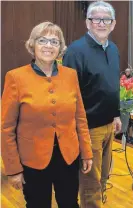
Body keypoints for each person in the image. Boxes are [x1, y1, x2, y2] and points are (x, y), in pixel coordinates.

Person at [2, 22, 93, 208]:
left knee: (69, 203)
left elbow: (80, 118)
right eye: (42, 40)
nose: (48, 46)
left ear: (60, 47)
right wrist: (13, 169)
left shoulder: (71, 75)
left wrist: (86, 153)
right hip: (33, 160)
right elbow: (6, 128)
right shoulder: (15, 77)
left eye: (54, 41)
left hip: (68, 156)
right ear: (32, 45)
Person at [63, 2, 122, 207]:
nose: (101, 23)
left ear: (113, 24)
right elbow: (69, 95)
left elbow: (112, 85)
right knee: (91, 182)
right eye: (96, 18)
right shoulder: (75, 51)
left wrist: (115, 115)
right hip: (88, 128)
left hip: (108, 126)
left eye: (106, 19)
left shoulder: (113, 49)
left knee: (103, 177)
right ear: (88, 23)